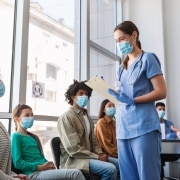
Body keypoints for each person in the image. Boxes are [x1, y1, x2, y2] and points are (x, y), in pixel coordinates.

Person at [108, 20, 167, 180]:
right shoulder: (122, 68)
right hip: (123, 129)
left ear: (134, 35)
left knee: (147, 176)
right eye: (116, 41)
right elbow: (122, 97)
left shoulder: (148, 59)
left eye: (122, 39)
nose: (119, 44)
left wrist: (134, 100)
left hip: (144, 128)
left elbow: (161, 92)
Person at [57, 80, 120, 180]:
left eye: (86, 94)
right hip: (75, 160)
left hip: (90, 157)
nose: (84, 96)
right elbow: (73, 149)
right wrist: (97, 157)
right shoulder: (66, 118)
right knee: (110, 169)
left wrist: (100, 153)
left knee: (121, 165)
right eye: (81, 94)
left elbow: (94, 142)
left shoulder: (87, 117)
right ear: (73, 97)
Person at [11, 104, 86, 180]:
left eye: (31, 115)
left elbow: (41, 158)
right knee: (76, 174)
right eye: (27, 115)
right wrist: (39, 167)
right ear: (16, 119)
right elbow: (18, 163)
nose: (30, 118)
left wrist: (49, 164)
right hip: (33, 174)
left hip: (43, 171)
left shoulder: (33, 137)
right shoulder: (16, 136)